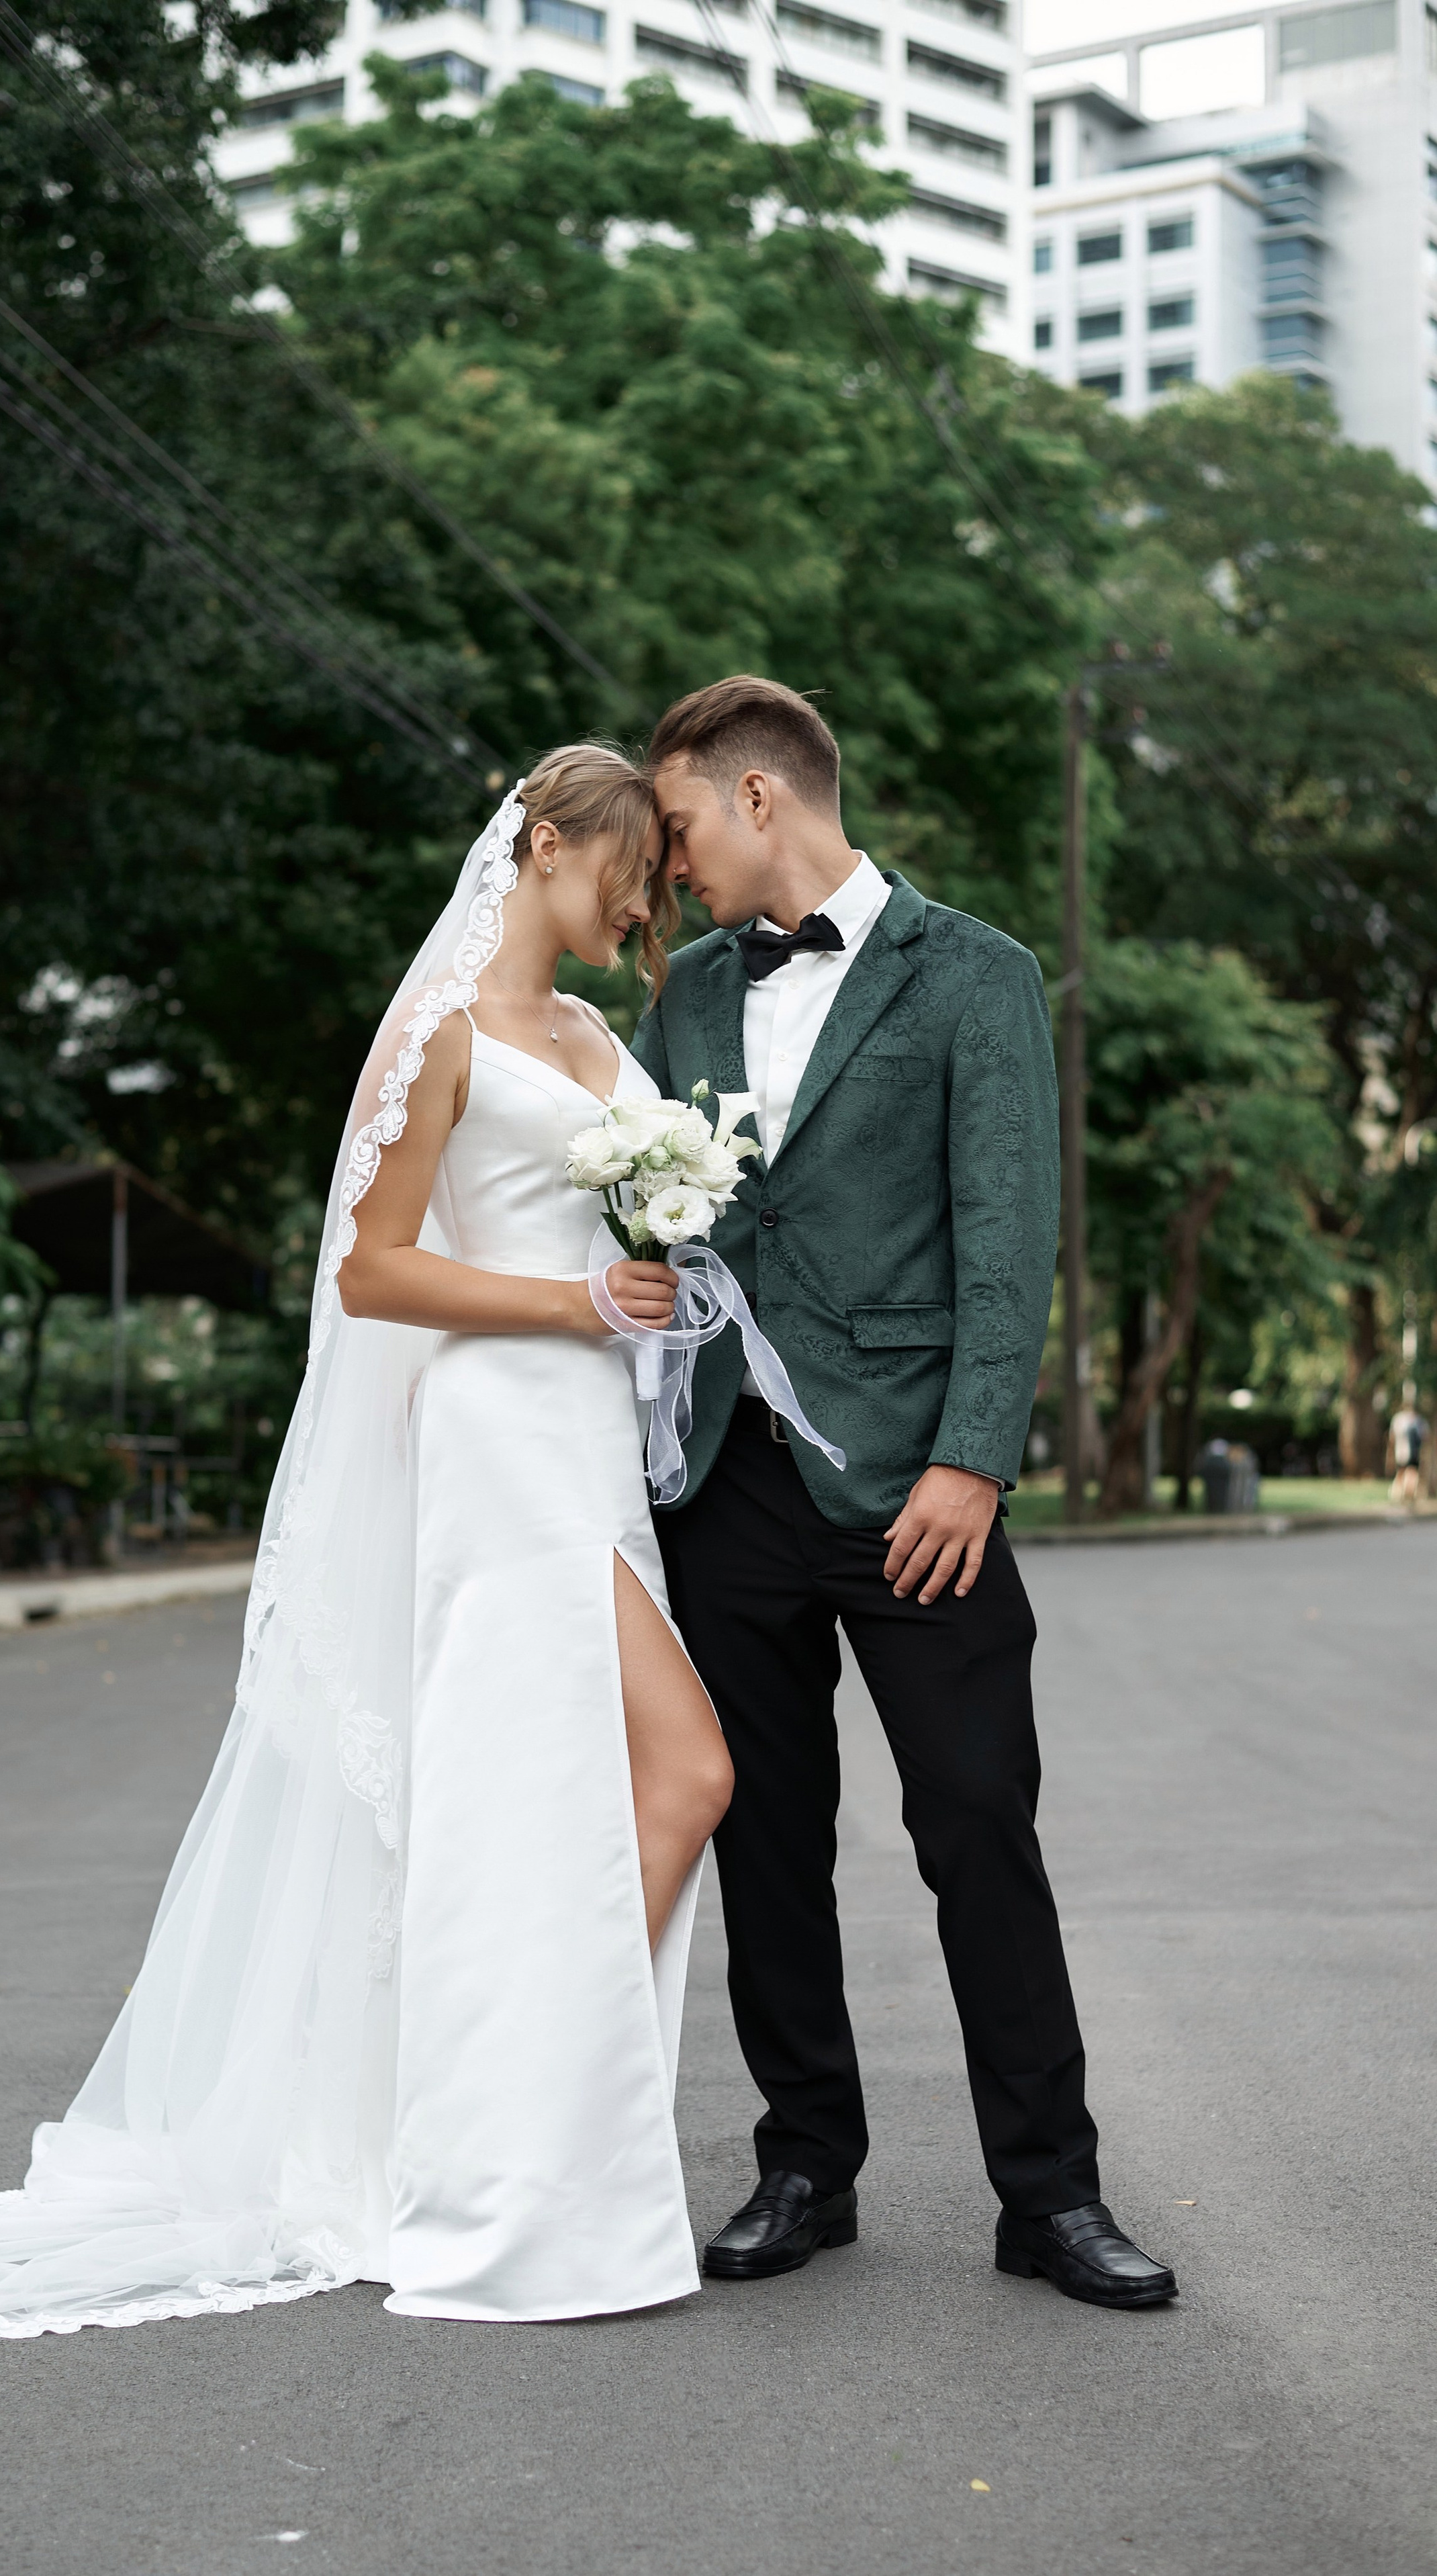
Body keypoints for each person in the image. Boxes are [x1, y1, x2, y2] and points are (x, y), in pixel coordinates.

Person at [0, 746, 732, 2344]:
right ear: (544, 845)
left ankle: (516, 2135)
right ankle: (509, 2149)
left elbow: (607, 1233)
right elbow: (369, 1272)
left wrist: (649, 1260)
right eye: (629, 874)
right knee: (680, 1771)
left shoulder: (600, 1040)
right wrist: (574, 1299)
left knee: (578, 1801)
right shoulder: (440, 1030)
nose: (645, 905)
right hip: (497, 1439)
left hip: (590, 1441)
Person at [635, 675, 1176, 2310]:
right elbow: (649, 1208)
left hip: (913, 1487)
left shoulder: (976, 974)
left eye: (677, 827)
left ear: (757, 796)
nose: (668, 866)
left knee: (976, 1824)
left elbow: (1009, 1235)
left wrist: (970, 1458)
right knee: (764, 1840)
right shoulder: (685, 991)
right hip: (725, 1480)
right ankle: (804, 2161)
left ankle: (1049, 2194)